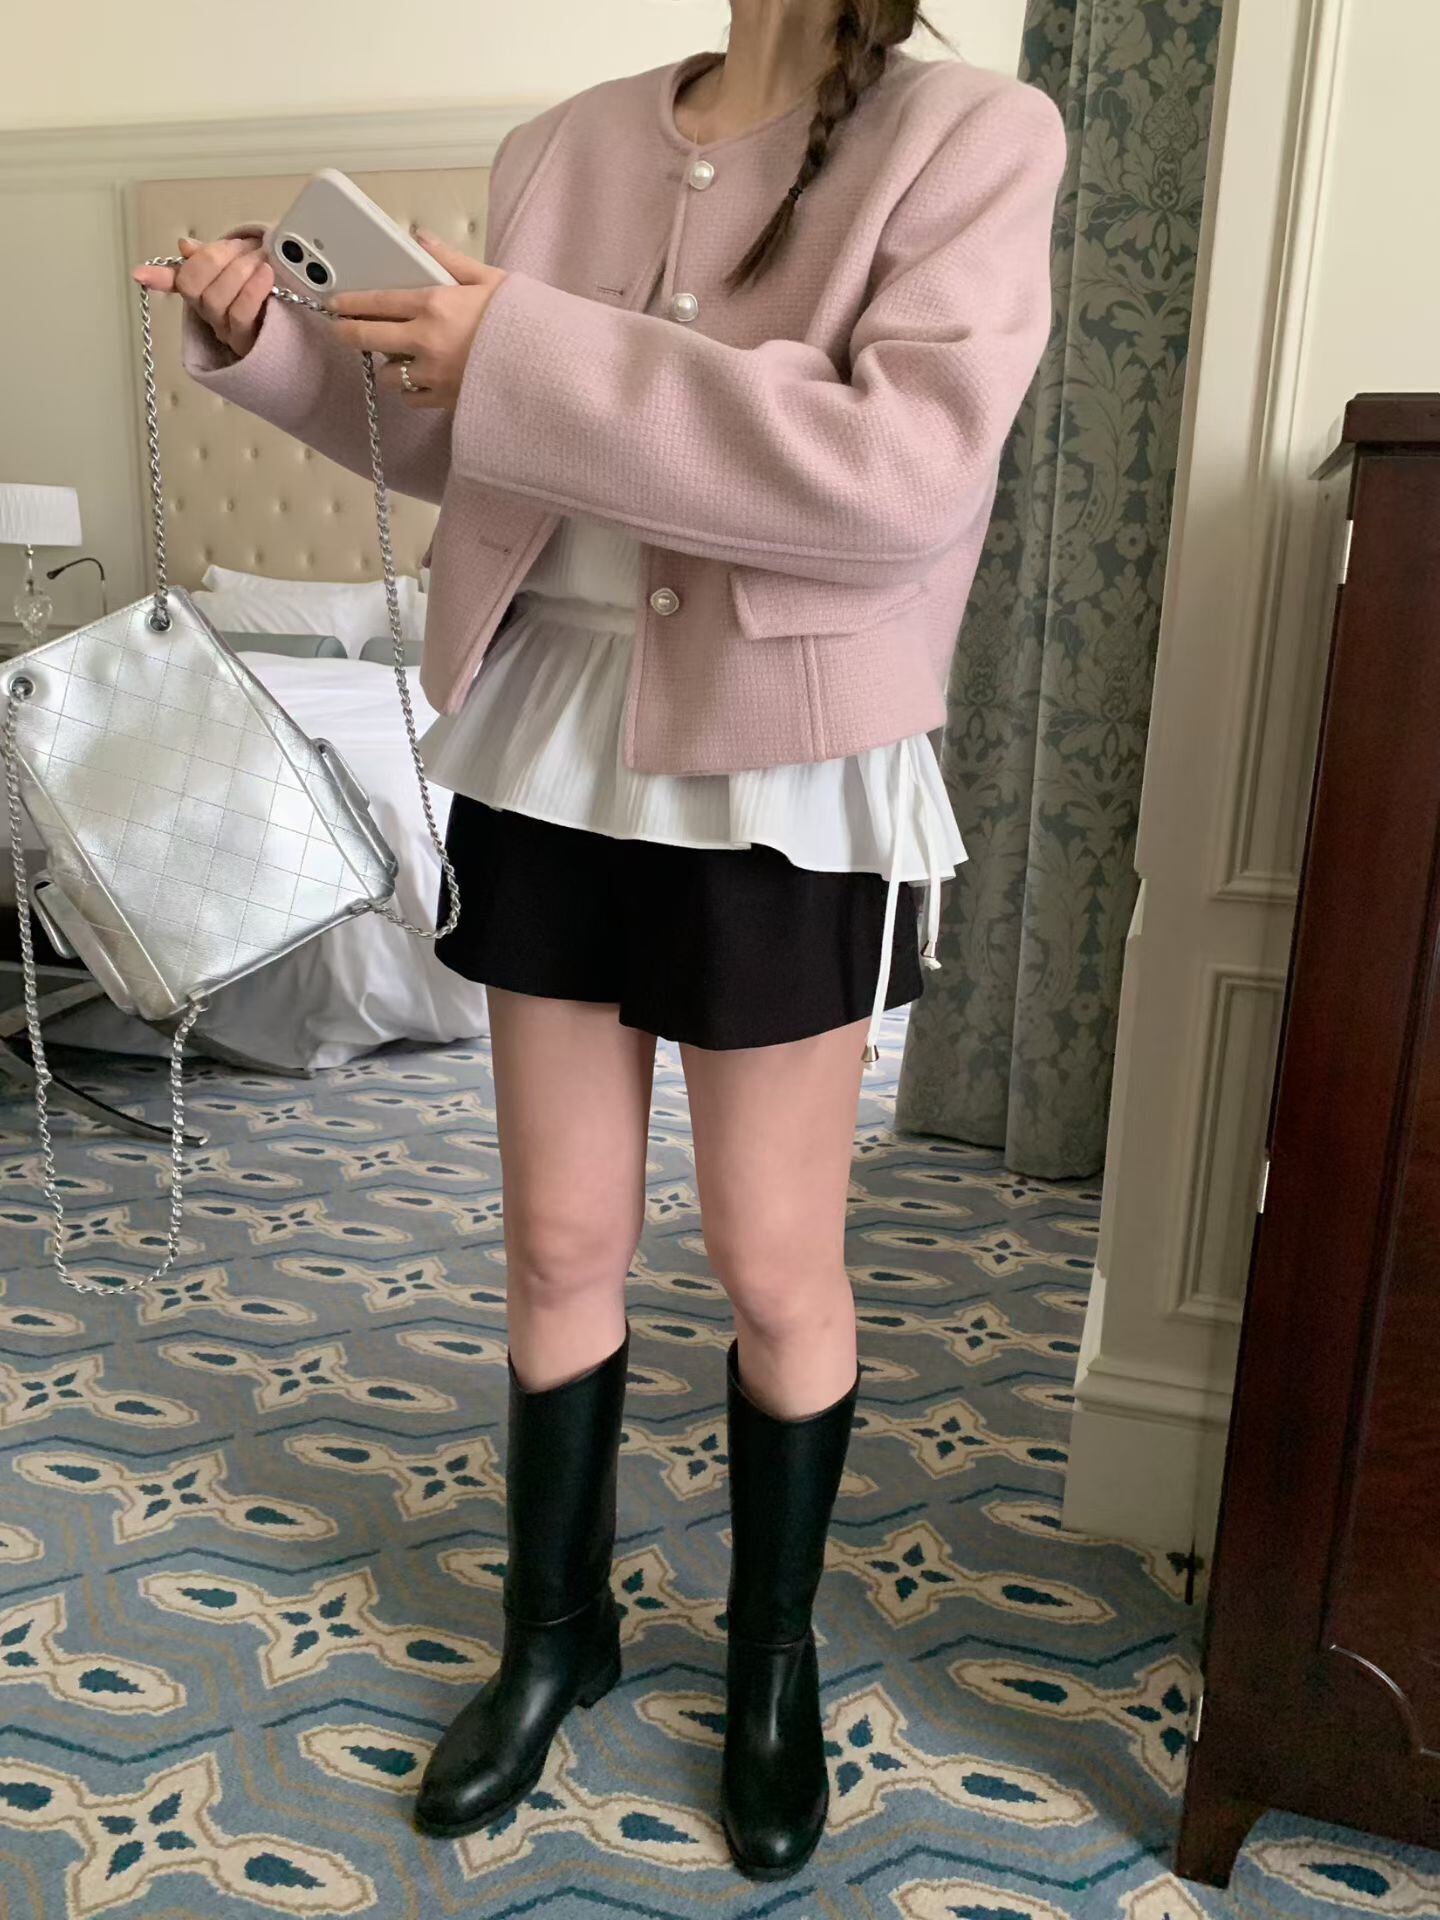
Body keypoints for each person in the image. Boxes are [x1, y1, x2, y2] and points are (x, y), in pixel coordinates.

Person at [134, 0, 1065, 1880]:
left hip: (784, 754)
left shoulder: (972, 135)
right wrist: (276, 348)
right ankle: (556, 1632)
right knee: (560, 1241)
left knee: (775, 1262)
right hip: (549, 725)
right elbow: (485, 438)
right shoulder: (565, 139)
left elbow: (900, 474)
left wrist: (526, 344)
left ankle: (771, 1666)